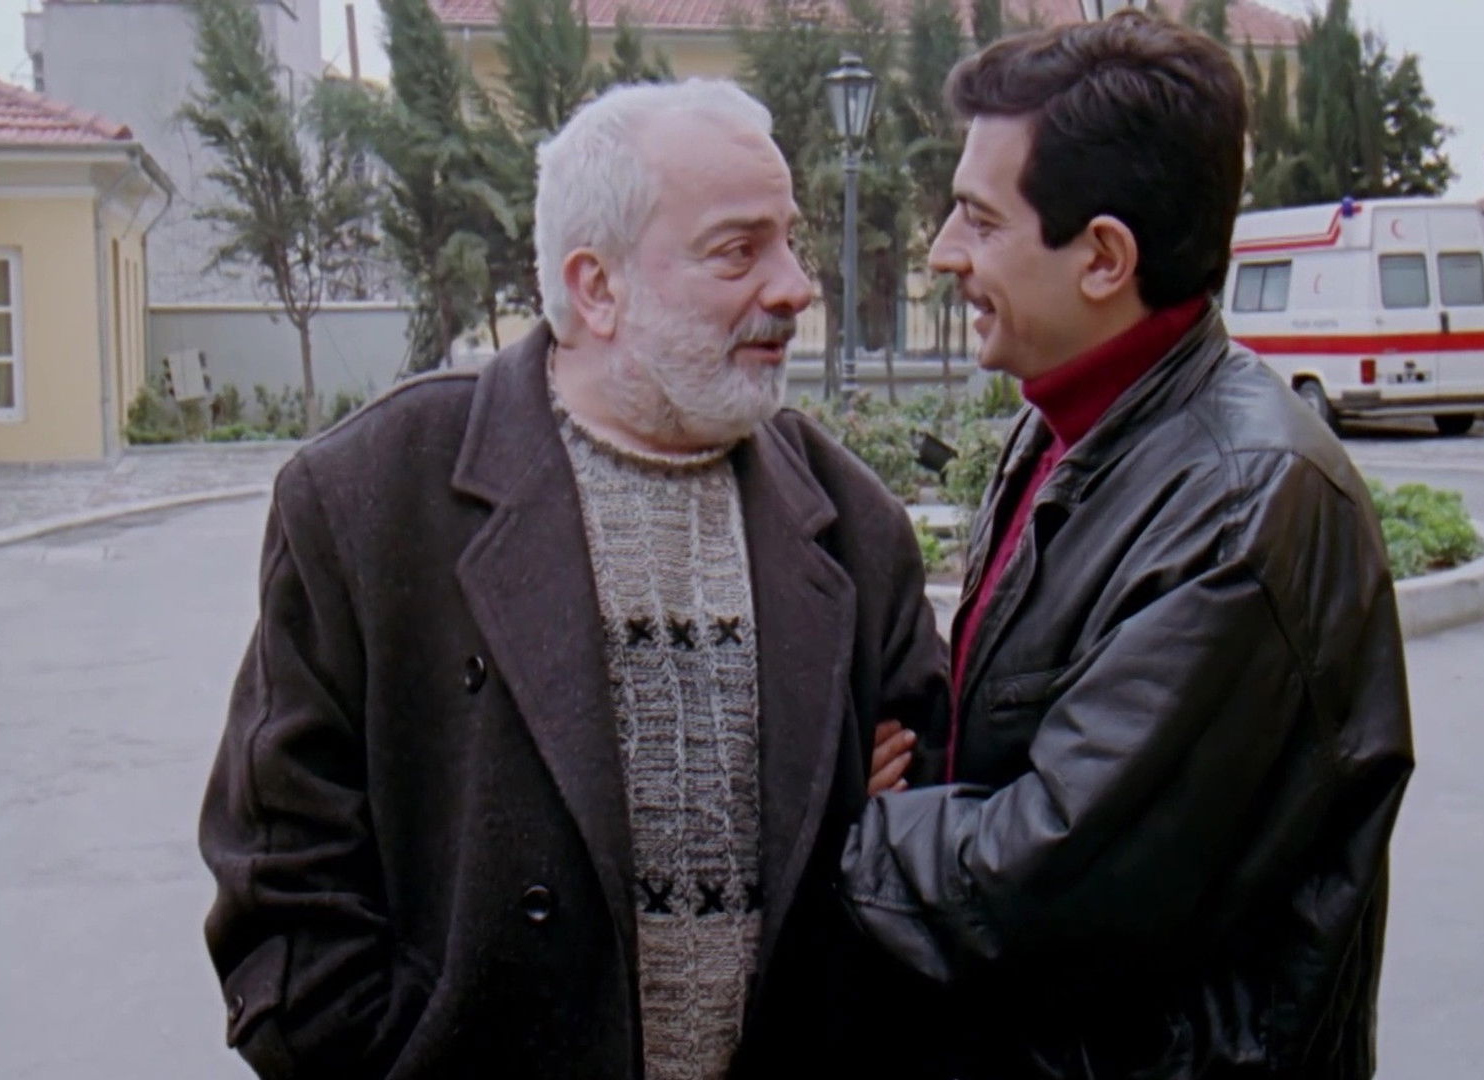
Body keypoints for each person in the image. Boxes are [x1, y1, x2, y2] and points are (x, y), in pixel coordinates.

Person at [199, 78, 949, 1080]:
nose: (794, 287)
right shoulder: (370, 498)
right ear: (597, 288)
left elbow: (923, 838)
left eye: (789, 242)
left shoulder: (853, 522)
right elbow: (281, 880)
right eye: (739, 251)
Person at [838, 14, 1417, 1079]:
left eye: (979, 220)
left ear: (1104, 257)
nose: (943, 251)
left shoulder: (1243, 504)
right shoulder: (1078, 421)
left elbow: (1047, 878)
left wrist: (846, 814)